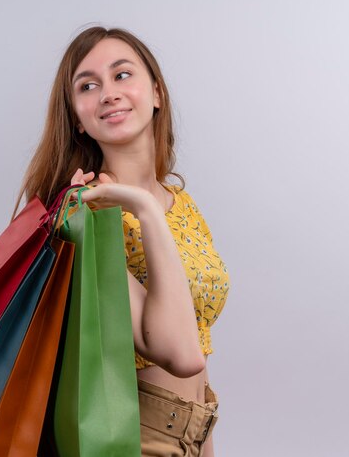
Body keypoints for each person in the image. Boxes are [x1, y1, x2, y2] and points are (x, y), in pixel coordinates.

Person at [13, 26, 230, 457]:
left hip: (194, 431)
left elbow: (200, 357)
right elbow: (181, 355)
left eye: (122, 74)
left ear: (157, 93)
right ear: (77, 116)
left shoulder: (181, 204)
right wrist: (144, 212)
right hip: (129, 439)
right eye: (88, 85)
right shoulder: (90, 216)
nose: (108, 93)